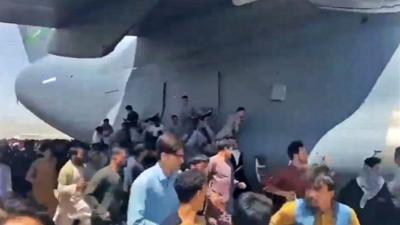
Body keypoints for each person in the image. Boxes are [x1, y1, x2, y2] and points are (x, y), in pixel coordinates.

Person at [270, 166, 360, 225]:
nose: (311, 194)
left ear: (331, 192)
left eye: (317, 189)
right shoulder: (292, 209)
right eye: (309, 188)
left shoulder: (347, 214)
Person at [127, 132, 184, 225]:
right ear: (164, 156)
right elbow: (134, 222)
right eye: (178, 156)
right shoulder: (143, 183)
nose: (182, 161)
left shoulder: (180, 178)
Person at [338, 157, 396, 225]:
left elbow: (389, 207)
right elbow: (342, 202)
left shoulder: (381, 185)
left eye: (379, 169)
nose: (379, 172)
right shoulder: (354, 185)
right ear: (368, 170)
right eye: (376, 169)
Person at [206, 138, 247, 225]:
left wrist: (238, 183)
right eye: (232, 149)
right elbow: (205, 179)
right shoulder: (213, 161)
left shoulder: (229, 163)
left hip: (228, 201)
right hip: (215, 201)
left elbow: (229, 178)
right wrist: (209, 194)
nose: (233, 153)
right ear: (225, 148)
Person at [85, 146, 128, 225]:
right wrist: (101, 211)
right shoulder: (103, 174)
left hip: (114, 219)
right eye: (124, 157)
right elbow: (88, 194)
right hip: (100, 220)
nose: (126, 160)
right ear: (115, 157)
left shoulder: (121, 175)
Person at [263, 140, 309, 211]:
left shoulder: (309, 171)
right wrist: (285, 193)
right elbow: (267, 187)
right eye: (304, 152)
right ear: (295, 155)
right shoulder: (285, 173)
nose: (307, 154)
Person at [53, 142, 91, 225]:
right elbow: (60, 189)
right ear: (74, 155)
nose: (85, 157)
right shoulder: (67, 169)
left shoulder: (84, 167)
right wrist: (76, 187)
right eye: (83, 155)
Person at [25, 142, 58, 217]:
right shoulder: (37, 162)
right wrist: (37, 182)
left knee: (52, 210)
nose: (49, 152)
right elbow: (27, 177)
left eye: (50, 151)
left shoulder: (55, 161)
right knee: (42, 209)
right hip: (40, 189)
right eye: (47, 150)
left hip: (51, 189)